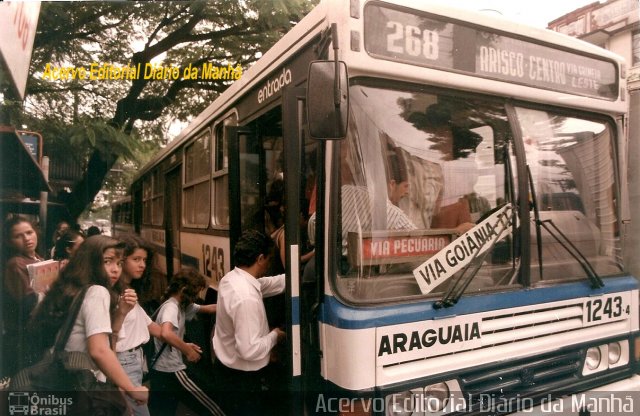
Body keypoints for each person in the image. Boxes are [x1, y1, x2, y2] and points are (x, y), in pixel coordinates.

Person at [29, 235, 149, 406]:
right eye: (107, 261)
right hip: (82, 384)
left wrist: (121, 313)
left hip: (66, 379)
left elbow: (105, 342)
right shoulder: (98, 292)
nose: (116, 269)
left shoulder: (72, 289)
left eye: (119, 263)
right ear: (90, 262)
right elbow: (99, 351)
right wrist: (132, 388)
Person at [212, 229, 287, 415]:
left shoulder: (231, 279)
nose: (269, 264)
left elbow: (266, 285)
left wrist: (295, 278)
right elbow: (249, 350)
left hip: (227, 371)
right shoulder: (246, 298)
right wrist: (275, 336)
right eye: (269, 259)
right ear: (260, 258)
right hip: (243, 379)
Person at [148, 268, 223, 416]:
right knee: (213, 407)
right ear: (184, 290)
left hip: (160, 371)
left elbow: (208, 309)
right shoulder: (171, 307)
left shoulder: (180, 305)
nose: (196, 297)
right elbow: (166, 333)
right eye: (195, 293)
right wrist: (187, 350)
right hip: (171, 370)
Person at [112, 234, 162, 416]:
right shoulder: (118, 294)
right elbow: (111, 338)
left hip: (133, 360)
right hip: (124, 361)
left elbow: (148, 324)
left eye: (144, 260)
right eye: (136, 259)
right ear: (122, 260)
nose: (142, 265)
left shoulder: (128, 290)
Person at [2, 216, 45, 377]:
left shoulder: (38, 259)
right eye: (18, 236)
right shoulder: (16, 264)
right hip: (23, 337)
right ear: (9, 241)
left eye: (29, 232)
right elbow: (28, 303)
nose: (27, 238)